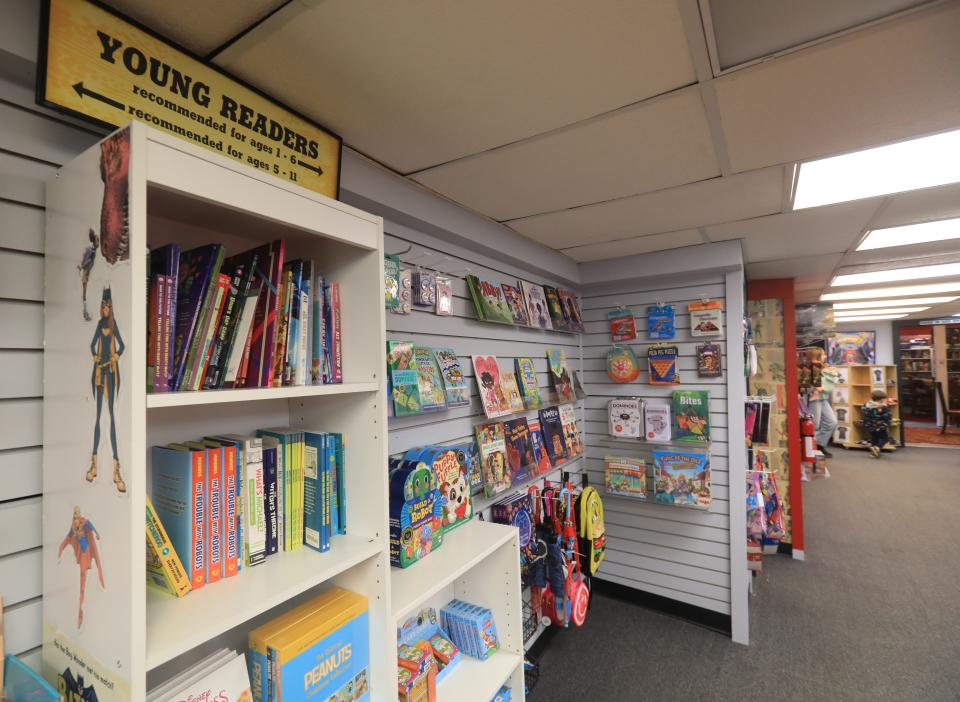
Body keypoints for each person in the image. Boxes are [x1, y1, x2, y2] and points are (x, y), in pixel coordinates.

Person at [807, 348, 838, 457]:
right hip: (814, 399)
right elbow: (814, 387)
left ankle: (819, 444)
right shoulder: (810, 368)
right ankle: (810, 449)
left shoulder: (822, 367)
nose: (825, 357)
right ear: (817, 356)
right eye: (823, 355)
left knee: (831, 421)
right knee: (814, 425)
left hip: (823, 398)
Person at [863, 389, 894, 458]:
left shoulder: (867, 405)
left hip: (870, 426)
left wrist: (867, 423)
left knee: (874, 438)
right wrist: (889, 422)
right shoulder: (883, 407)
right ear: (880, 399)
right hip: (880, 426)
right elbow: (887, 416)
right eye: (883, 399)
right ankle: (877, 447)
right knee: (885, 438)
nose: (884, 400)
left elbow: (865, 415)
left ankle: (873, 453)